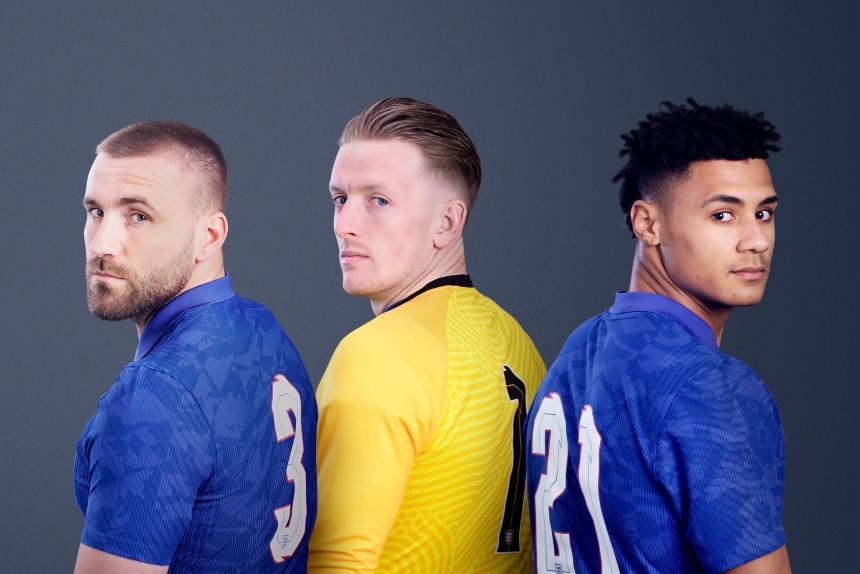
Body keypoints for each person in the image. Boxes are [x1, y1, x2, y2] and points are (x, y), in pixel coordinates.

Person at [525, 98, 791, 573]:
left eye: (764, 213)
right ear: (647, 223)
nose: (756, 240)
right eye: (723, 216)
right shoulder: (709, 387)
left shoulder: (577, 351)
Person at [308, 98, 546, 573]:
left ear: (448, 222)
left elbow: (336, 563)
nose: (345, 224)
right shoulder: (517, 344)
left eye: (379, 200)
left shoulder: (376, 355)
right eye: (340, 198)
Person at [74, 121, 316, 573]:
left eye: (138, 215)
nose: (103, 244)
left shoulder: (153, 396)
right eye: (95, 212)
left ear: (209, 237)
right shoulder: (265, 330)